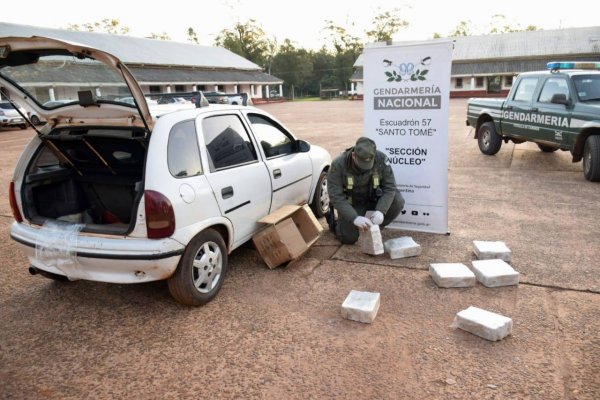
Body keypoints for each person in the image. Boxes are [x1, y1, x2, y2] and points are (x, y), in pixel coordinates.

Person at [327, 136, 404, 244]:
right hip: (352, 204)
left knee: (398, 200)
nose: (365, 168)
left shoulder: (381, 159)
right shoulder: (338, 165)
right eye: (362, 164)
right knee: (348, 239)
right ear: (354, 155)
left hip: (372, 201)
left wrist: (381, 211)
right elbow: (335, 196)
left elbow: (390, 187)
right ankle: (339, 225)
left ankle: (373, 227)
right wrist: (354, 218)